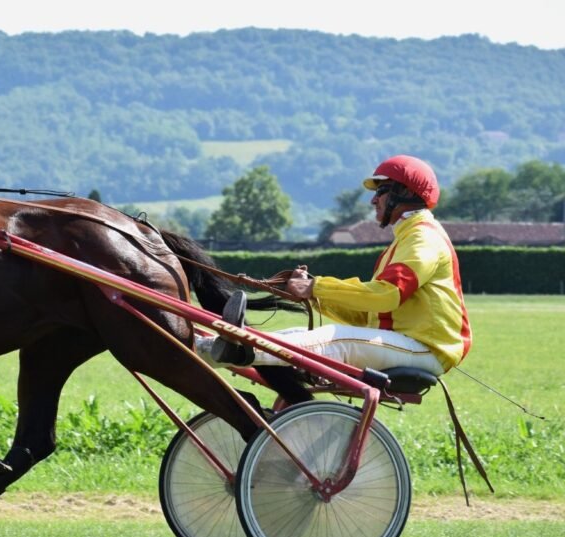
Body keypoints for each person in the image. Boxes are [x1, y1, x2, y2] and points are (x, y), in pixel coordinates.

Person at [199, 154, 471, 377]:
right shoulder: (405, 240)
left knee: (334, 339)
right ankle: (206, 348)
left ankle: (238, 350)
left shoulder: (423, 238)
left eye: (381, 191)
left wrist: (316, 286)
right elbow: (366, 316)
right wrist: (314, 295)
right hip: (404, 343)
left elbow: (386, 295)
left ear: (406, 193)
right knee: (301, 335)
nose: (373, 200)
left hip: (424, 348)